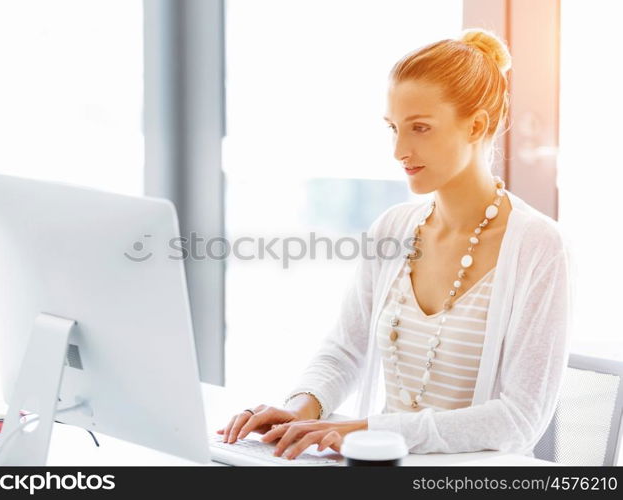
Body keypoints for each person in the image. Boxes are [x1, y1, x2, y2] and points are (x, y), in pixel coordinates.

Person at [217, 27, 575, 461]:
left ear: (477, 125)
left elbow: (519, 419)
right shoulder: (393, 228)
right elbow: (345, 349)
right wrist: (299, 412)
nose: (399, 150)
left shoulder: (539, 246)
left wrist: (361, 430)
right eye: (393, 128)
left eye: (420, 128)